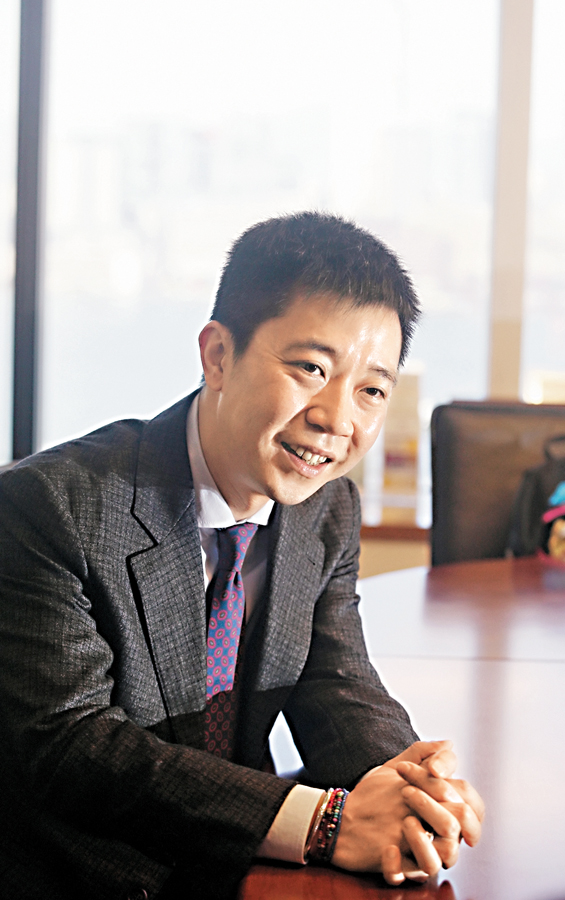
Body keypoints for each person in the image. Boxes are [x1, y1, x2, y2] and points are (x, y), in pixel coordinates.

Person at [0, 212, 483, 900]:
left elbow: (335, 681)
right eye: (310, 368)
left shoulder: (326, 509)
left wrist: (406, 787)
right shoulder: (49, 506)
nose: (336, 418)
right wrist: (325, 824)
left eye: (371, 390)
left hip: (240, 870)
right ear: (218, 355)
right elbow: (72, 747)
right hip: (84, 875)